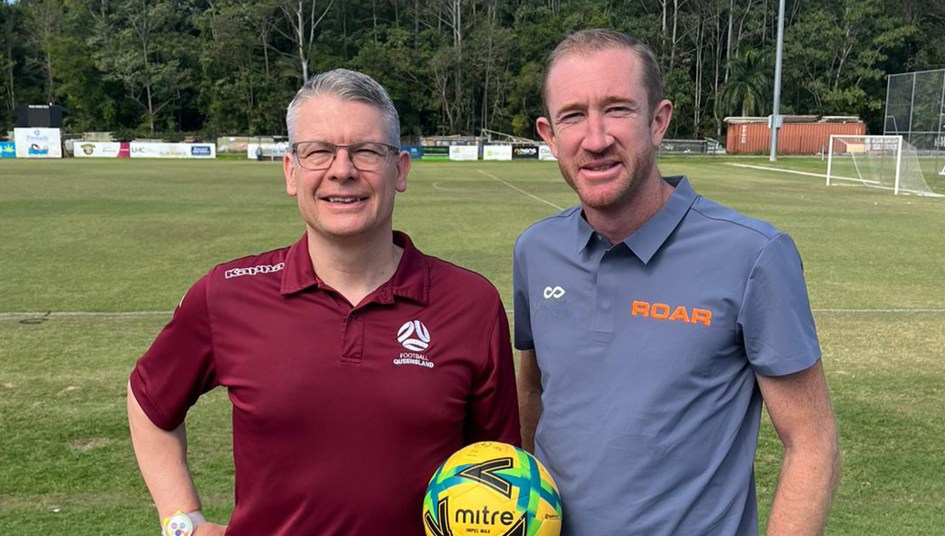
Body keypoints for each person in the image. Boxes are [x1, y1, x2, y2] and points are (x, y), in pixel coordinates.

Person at [128, 68, 520, 536]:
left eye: (367, 151)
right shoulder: (226, 293)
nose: (342, 170)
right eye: (318, 151)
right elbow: (148, 400)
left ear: (400, 170)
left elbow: (501, 469)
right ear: (291, 172)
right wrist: (182, 521)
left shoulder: (471, 304)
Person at [513, 29, 840, 535]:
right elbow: (533, 390)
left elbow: (813, 443)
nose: (595, 139)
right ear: (549, 135)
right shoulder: (536, 251)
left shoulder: (753, 254)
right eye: (573, 116)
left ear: (658, 120)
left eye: (617, 109)